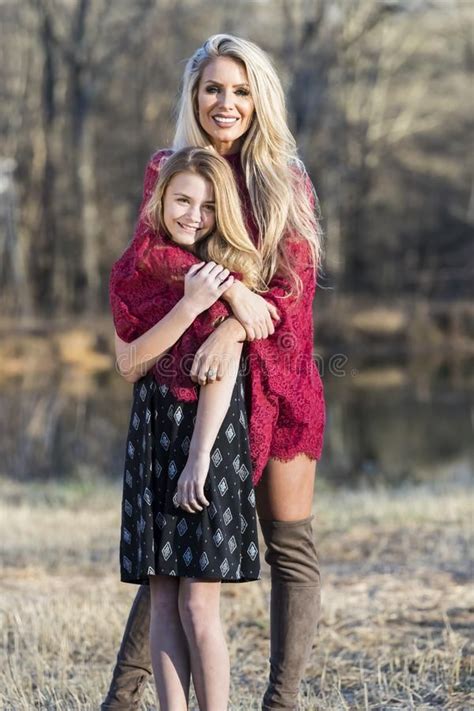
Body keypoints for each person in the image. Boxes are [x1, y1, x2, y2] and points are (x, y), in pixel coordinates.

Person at [104, 34, 325, 711]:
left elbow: (296, 286)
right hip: (192, 377)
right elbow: (152, 254)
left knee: (289, 543)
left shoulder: (285, 177)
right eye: (213, 89)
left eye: (239, 89)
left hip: (277, 377)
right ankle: (124, 695)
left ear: (259, 98)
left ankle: (281, 701)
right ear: (194, 95)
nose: (225, 102)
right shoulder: (169, 166)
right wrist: (230, 292)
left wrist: (236, 325)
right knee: (176, 548)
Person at [112, 147, 265, 710]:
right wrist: (187, 304)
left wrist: (200, 457)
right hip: (154, 432)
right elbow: (131, 363)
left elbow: (222, 373)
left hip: (209, 434)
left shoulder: (229, 274)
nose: (192, 215)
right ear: (159, 197)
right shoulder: (134, 270)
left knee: (199, 604)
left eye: (206, 206)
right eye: (182, 200)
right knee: (163, 594)